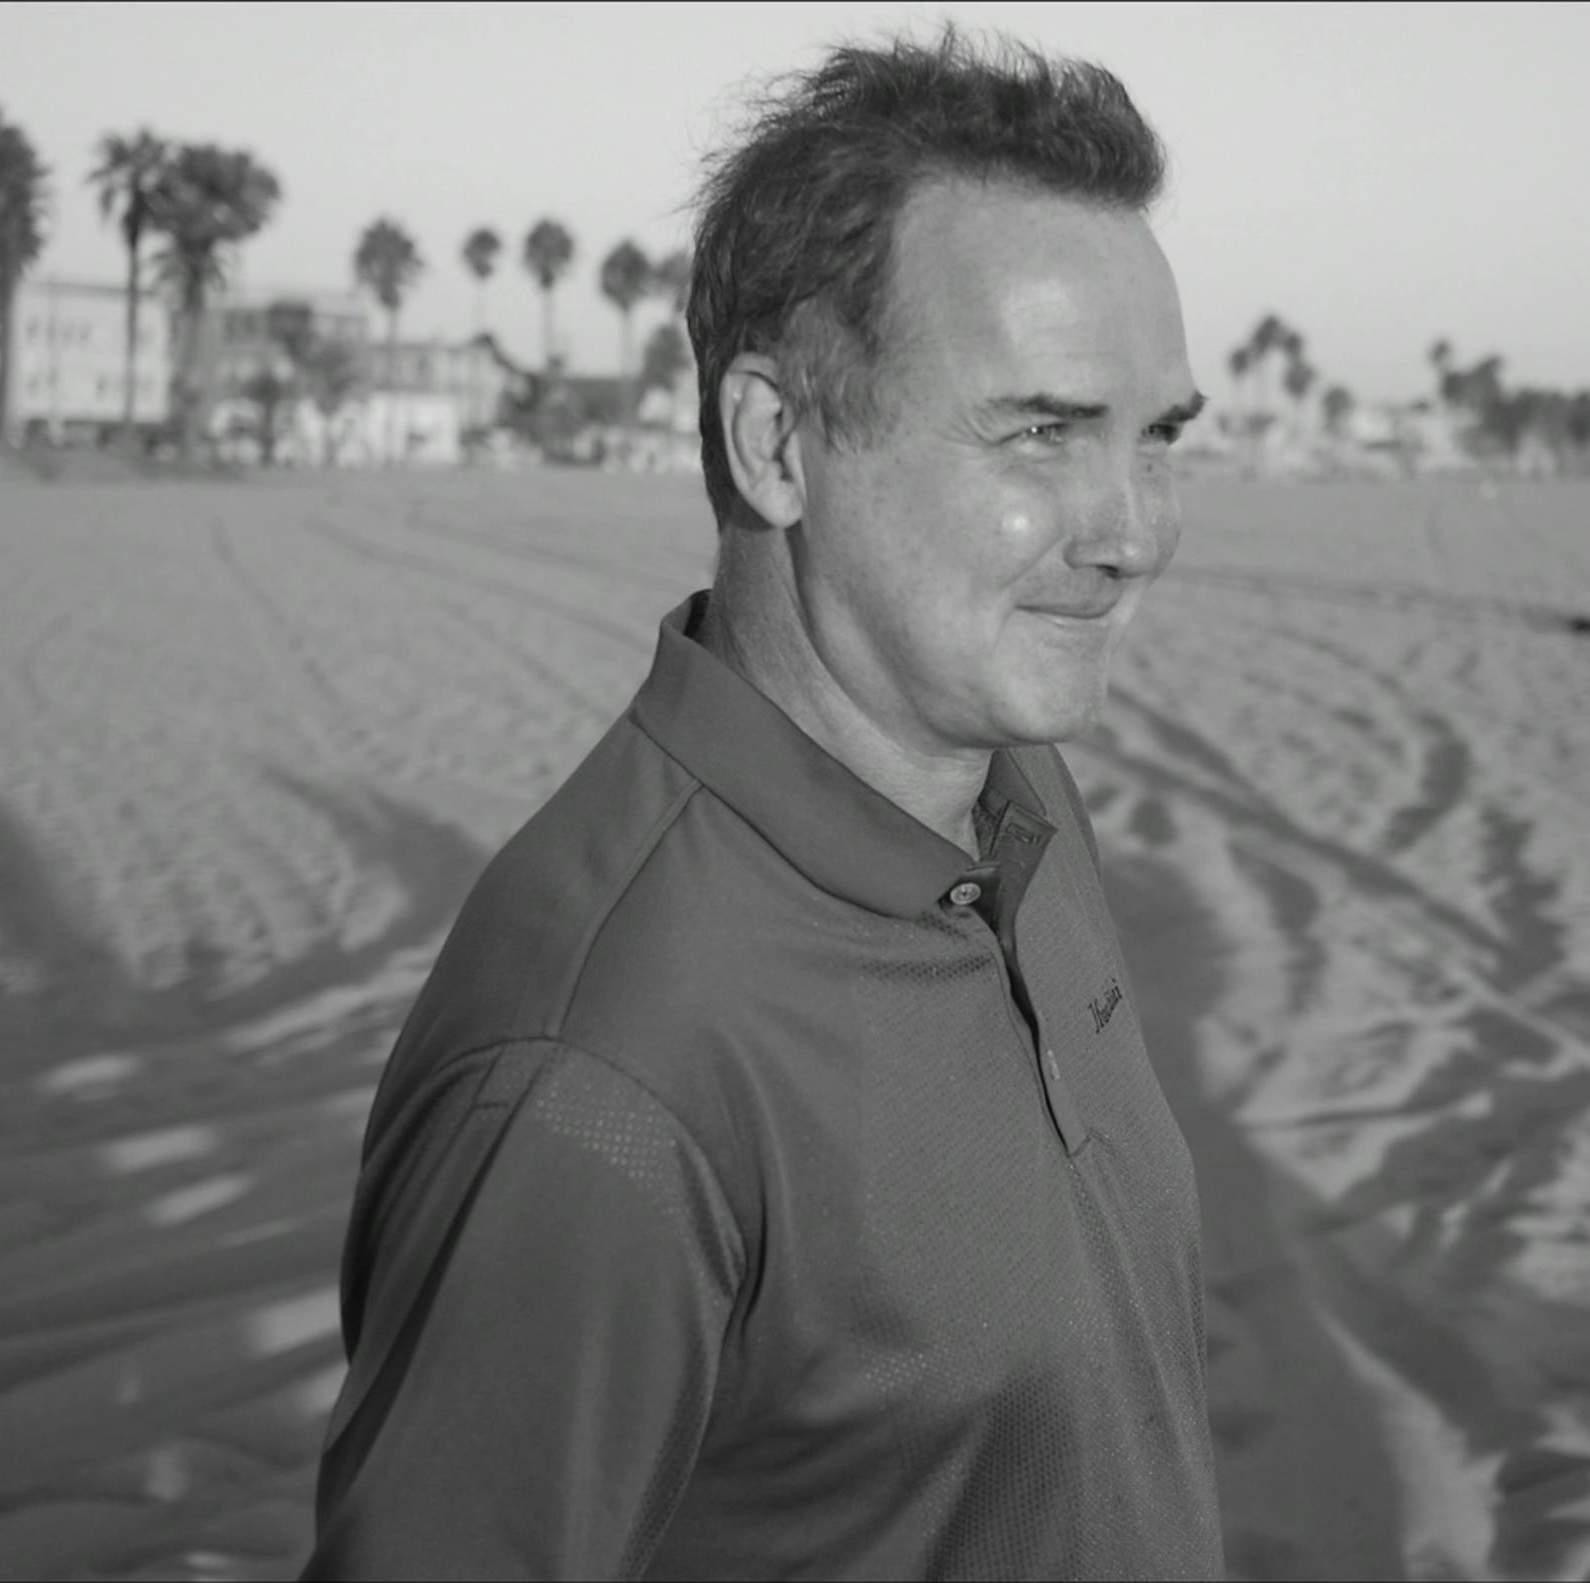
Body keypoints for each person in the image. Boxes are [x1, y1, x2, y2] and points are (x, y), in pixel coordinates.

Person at [302, 28, 1221, 1581]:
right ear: (776, 441)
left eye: (1161, 439)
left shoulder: (1015, 796)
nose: (1132, 531)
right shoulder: (602, 1077)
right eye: (1044, 433)